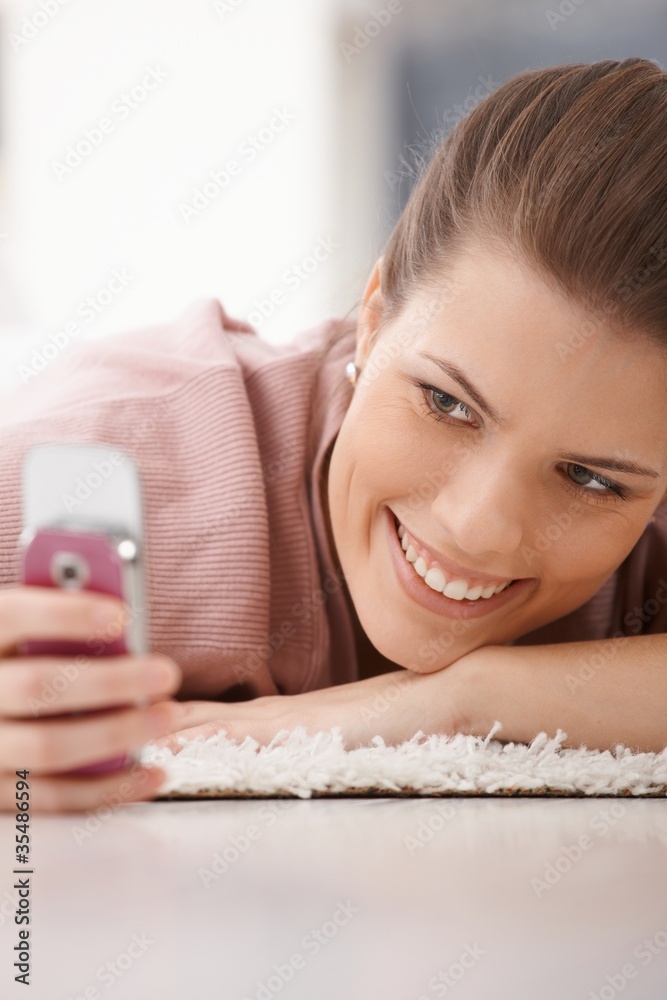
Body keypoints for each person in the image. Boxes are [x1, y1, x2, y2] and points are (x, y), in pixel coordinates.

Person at [1, 56, 667, 813]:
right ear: (374, 318)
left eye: (589, 479)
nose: (477, 527)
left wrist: (461, 700)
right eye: (446, 403)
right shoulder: (105, 479)